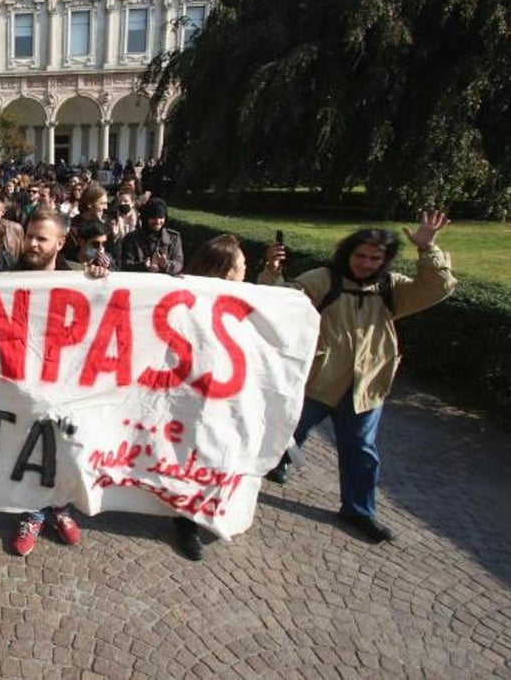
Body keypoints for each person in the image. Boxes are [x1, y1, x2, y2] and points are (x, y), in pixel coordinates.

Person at [259, 212, 456, 543]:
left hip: (365, 386)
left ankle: (359, 510)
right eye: (360, 255)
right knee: (284, 432)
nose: (366, 263)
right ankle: (271, 467)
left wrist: (428, 250)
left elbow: (437, 288)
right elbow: (280, 304)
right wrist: (272, 271)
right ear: (348, 253)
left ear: (385, 260)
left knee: (361, 450)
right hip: (317, 381)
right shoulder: (323, 280)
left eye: (374, 258)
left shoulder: (391, 288)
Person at [9, 208, 108, 556]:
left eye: (42, 238)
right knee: (30, 448)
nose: (32, 244)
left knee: (66, 447)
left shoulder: (81, 277)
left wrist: (100, 281)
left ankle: (60, 506)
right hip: (25, 381)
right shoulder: (7, 277)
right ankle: (32, 513)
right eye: (30, 236)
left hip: (68, 381)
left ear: (61, 242)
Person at [167, 234, 248, 560]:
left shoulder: (249, 297)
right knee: (193, 452)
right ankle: (186, 520)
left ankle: (210, 508)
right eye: (242, 265)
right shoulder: (184, 294)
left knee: (220, 451)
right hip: (191, 391)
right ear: (226, 270)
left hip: (229, 393)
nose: (246, 270)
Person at [118, 197, 183, 275]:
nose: (158, 221)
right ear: (146, 218)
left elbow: (178, 262)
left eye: (161, 218)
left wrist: (166, 265)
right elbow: (125, 265)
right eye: (154, 218)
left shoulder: (173, 238)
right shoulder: (131, 239)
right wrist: (143, 266)